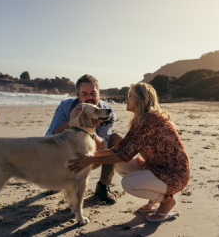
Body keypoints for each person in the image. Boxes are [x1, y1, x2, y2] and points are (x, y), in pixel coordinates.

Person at [68, 82, 190, 222]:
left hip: (174, 175)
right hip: (157, 168)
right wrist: (89, 155)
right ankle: (154, 199)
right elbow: (119, 149)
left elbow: (124, 155)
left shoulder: (150, 119)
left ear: (140, 99)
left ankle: (166, 201)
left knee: (128, 183)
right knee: (120, 166)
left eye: (130, 96)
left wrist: (90, 160)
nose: (126, 99)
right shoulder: (140, 120)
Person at [45, 74, 122, 204]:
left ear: (99, 93)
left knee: (116, 139)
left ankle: (103, 186)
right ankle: (58, 180)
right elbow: (50, 135)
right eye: (84, 93)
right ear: (77, 94)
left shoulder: (106, 112)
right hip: (66, 156)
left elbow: (104, 145)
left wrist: (92, 132)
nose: (89, 97)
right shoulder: (65, 106)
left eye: (93, 93)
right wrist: (72, 121)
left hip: (92, 156)